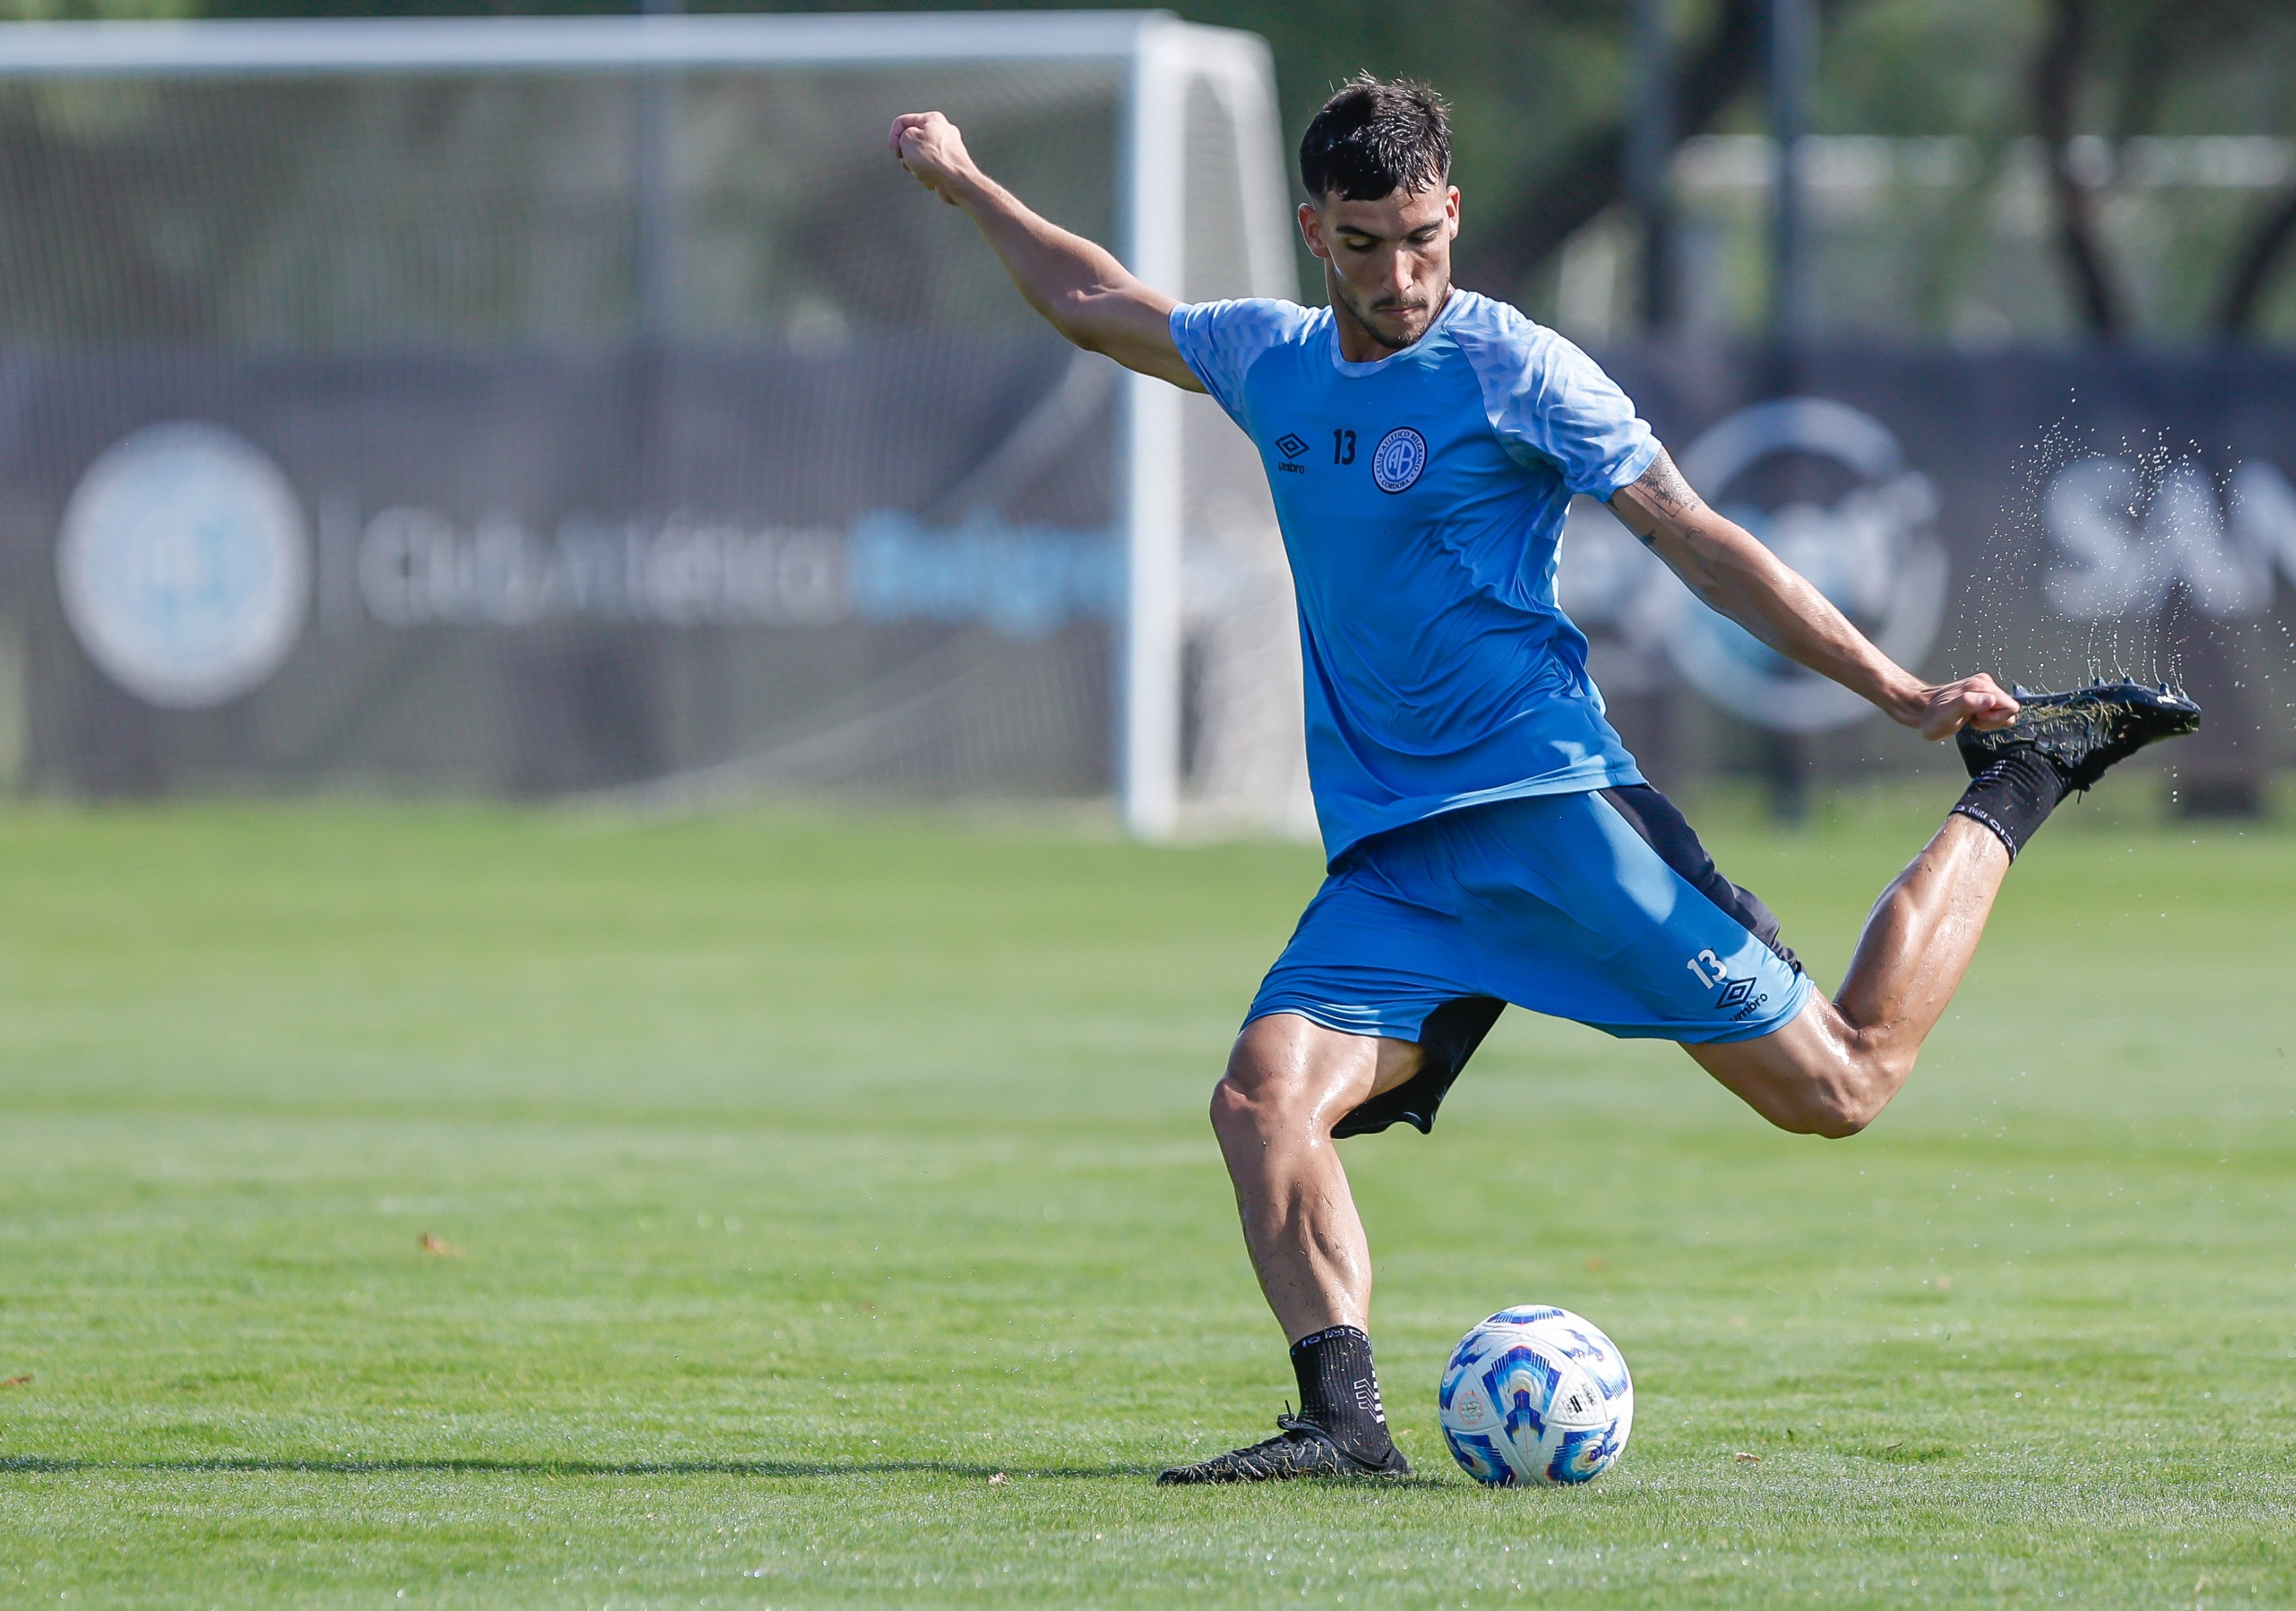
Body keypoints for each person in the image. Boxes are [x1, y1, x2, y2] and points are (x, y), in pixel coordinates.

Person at [890, 75, 2197, 1484]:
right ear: (1310, 232)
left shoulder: (1518, 369)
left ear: (1451, 211)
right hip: (1397, 860)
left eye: (1420, 239)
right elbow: (1093, 300)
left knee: (1842, 1083)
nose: (1399, 276)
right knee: (1260, 1098)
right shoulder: (1271, 362)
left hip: (1559, 821)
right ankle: (1343, 1422)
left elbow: (1696, 538)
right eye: (1363, 243)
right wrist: (969, 186)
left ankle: (2020, 778)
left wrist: (1895, 689)